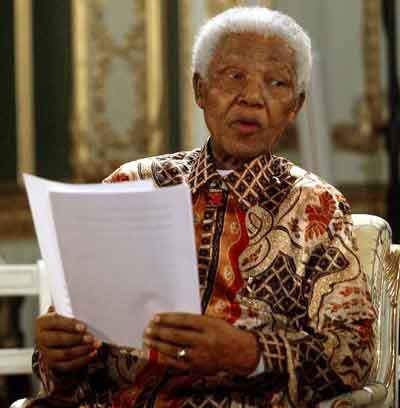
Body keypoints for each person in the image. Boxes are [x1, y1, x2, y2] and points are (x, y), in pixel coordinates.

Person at [28, 7, 376, 408]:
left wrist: (251, 353)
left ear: (294, 106)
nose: (252, 96)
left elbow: (354, 354)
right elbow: (65, 348)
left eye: (276, 83)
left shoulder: (317, 206)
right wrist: (61, 353)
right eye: (234, 76)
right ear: (199, 89)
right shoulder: (132, 185)